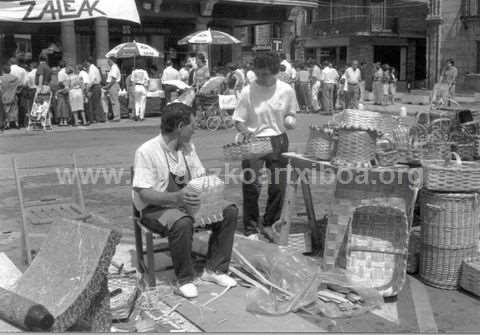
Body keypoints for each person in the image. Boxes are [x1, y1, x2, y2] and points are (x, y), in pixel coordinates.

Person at [133, 102, 238, 298]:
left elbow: (200, 175)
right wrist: (177, 198)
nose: (195, 130)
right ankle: (185, 279)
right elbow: (143, 193)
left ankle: (215, 269)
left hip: (188, 202)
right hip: (154, 209)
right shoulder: (146, 151)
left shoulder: (188, 148)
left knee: (229, 210)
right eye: (193, 125)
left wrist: (210, 187)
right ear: (180, 126)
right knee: (182, 222)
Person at [233, 52, 298, 240]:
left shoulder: (286, 90)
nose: (261, 78)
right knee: (252, 185)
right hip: (255, 140)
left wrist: (290, 118)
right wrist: (245, 132)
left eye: (265, 74)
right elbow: (238, 120)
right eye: (258, 73)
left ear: (275, 72)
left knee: (278, 186)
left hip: (278, 140)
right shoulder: (248, 91)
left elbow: (291, 113)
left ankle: (270, 223)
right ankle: (251, 227)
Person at [84, 57, 105, 123]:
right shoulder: (95, 68)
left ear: (87, 62)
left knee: (95, 103)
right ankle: (101, 117)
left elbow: (92, 80)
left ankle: (98, 118)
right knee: (98, 102)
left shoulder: (92, 69)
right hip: (97, 86)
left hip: (95, 86)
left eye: (85, 62)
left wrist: (87, 88)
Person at [0, 64, 21, 129]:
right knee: (15, 109)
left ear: (3, 70)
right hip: (13, 96)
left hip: (4, 96)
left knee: (6, 110)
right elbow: (20, 86)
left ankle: (7, 123)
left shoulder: (1, 78)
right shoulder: (15, 78)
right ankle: (16, 123)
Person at [104, 57, 121, 122]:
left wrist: (108, 86)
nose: (108, 62)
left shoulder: (114, 68)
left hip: (113, 85)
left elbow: (113, 79)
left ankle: (117, 117)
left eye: (108, 61)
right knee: (113, 101)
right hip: (112, 85)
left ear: (111, 61)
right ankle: (116, 116)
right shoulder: (113, 68)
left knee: (114, 101)